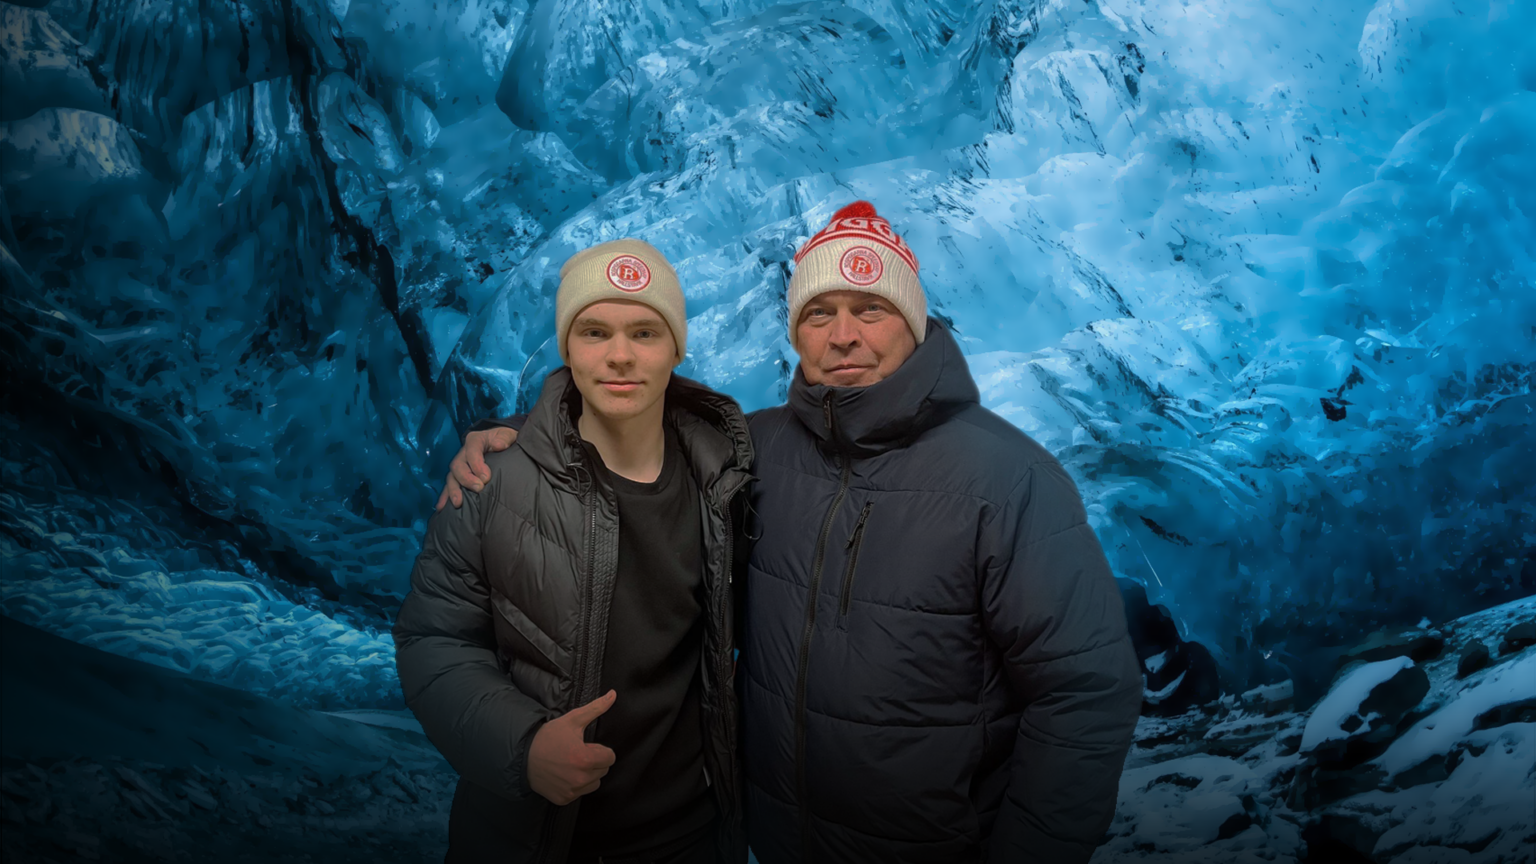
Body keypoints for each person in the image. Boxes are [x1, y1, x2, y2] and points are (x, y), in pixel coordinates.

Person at [440, 203, 1142, 863]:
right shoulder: (756, 448)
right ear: (795, 333)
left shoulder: (1007, 478)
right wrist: (515, 438)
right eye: (818, 313)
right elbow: (632, 420)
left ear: (914, 323)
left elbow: (1084, 691)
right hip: (778, 843)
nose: (844, 335)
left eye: (871, 309)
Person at [395, 239, 753, 864]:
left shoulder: (724, 483)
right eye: (594, 332)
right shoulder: (489, 481)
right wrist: (524, 745)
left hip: (690, 837)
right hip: (533, 840)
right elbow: (433, 641)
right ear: (566, 347)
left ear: (677, 348)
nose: (620, 356)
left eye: (645, 332)